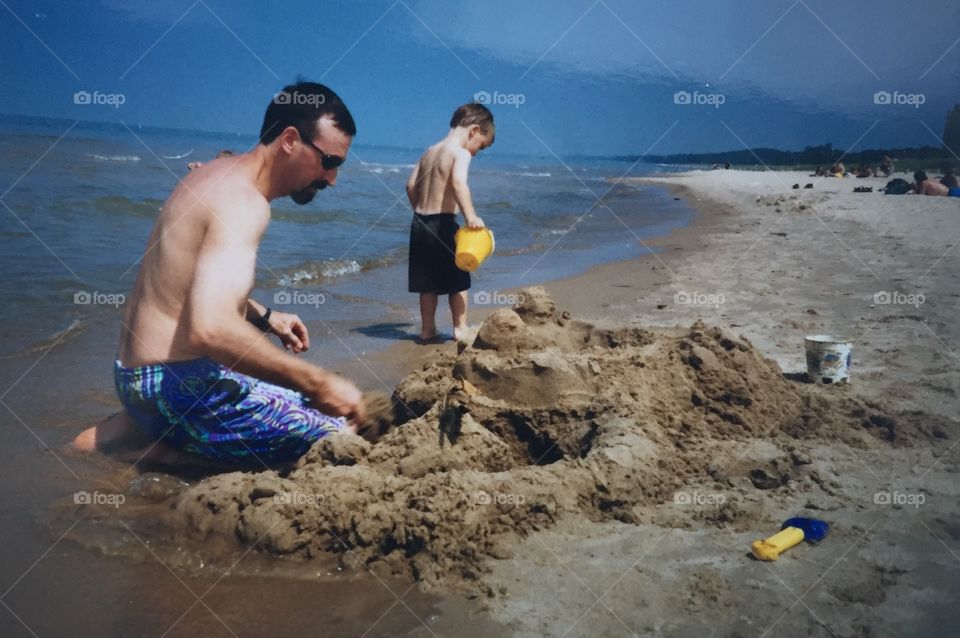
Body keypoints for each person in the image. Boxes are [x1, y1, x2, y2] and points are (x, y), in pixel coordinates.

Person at [72, 81, 366, 467]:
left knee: (304, 402)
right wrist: (320, 382)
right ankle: (167, 452)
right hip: (179, 390)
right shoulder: (244, 204)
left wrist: (267, 317)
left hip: (134, 377)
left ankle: (129, 429)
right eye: (330, 162)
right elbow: (210, 329)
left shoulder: (209, 175)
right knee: (343, 436)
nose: (331, 179)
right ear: (290, 140)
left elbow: (186, 286)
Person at [405, 103, 494, 343]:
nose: (476, 152)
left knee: (427, 283)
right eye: (481, 146)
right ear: (474, 131)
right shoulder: (460, 153)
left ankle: (427, 330)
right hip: (444, 223)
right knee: (459, 278)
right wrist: (470, 216)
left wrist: (420, 211)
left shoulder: (429, 152)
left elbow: (410, 185)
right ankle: (460, 328)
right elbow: (458, 184)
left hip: (420, 223)